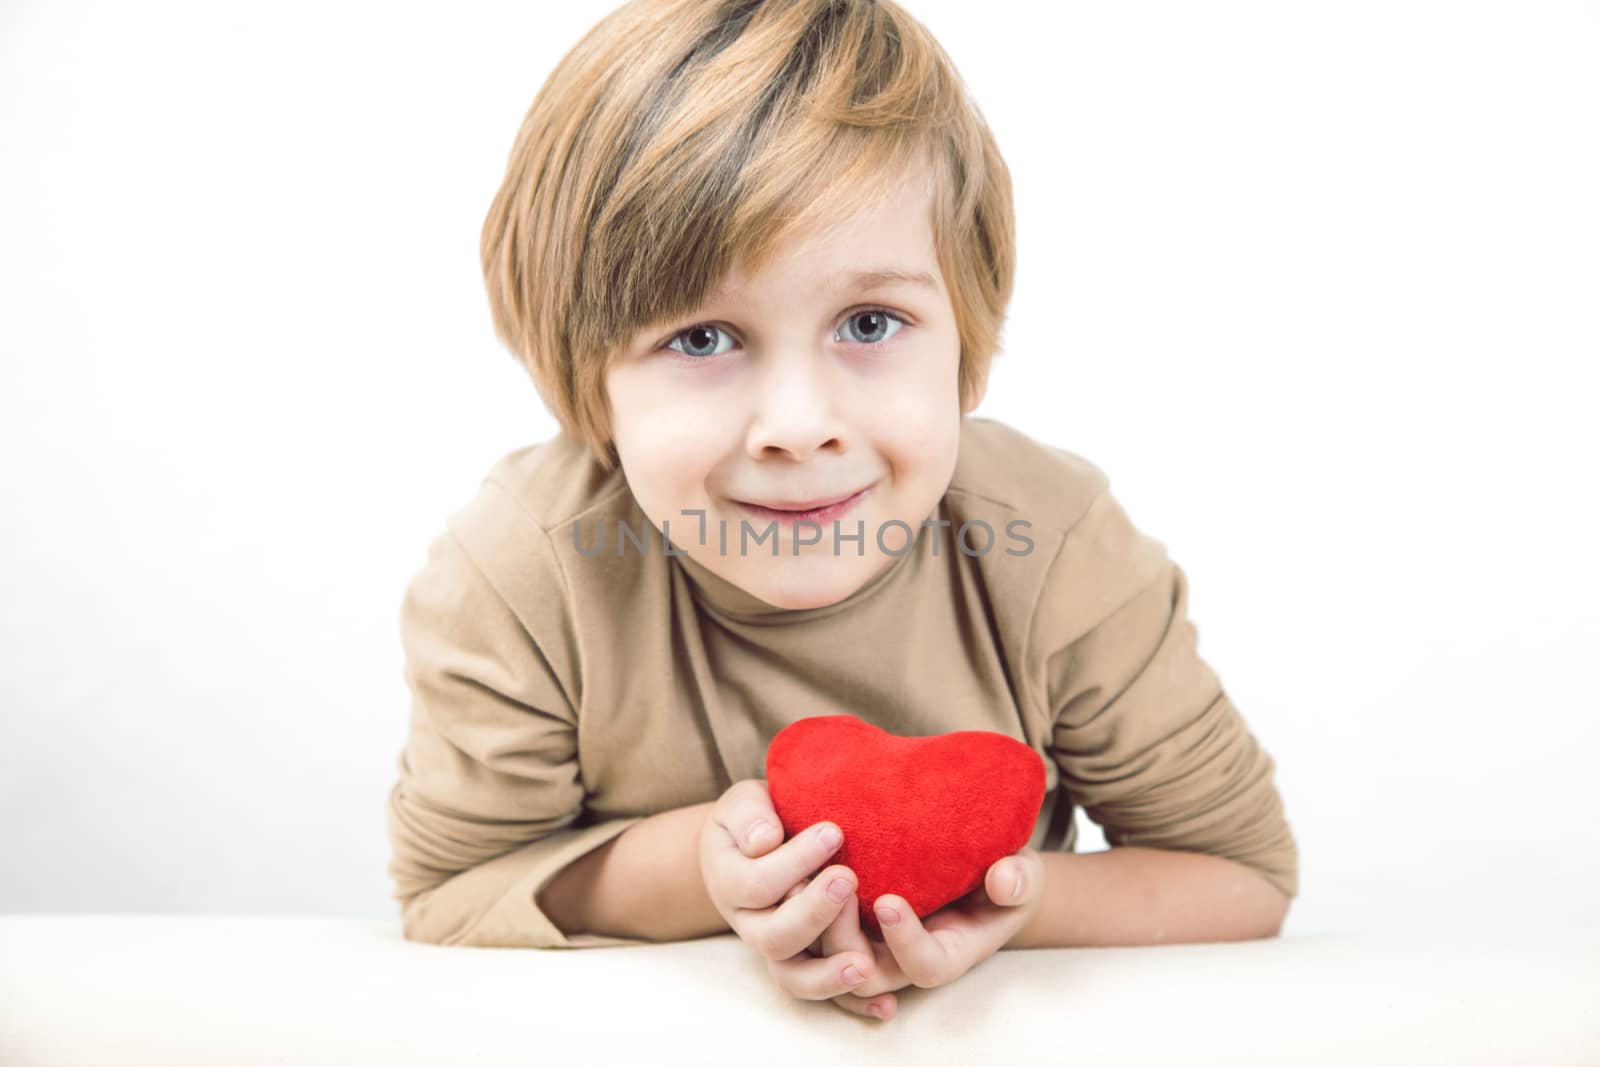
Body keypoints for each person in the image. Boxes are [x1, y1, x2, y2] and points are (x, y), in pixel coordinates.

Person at [384, 0, 1298, 1024]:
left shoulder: (1056, 545)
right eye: (700, 338)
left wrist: (1011, 900)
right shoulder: (521, 569)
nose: (798, 424)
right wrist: (708, 868)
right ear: (591, 383)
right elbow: (452, 893)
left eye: (870, 321)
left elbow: (1240, 874)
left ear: (967, 342)